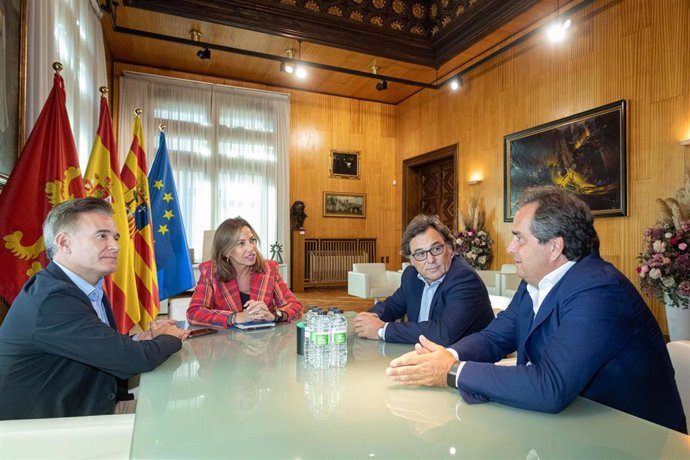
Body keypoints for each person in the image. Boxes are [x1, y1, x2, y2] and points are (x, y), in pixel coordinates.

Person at [385, 186, 687, 433]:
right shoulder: (536, 280)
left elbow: (550, 386)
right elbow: (495, 337)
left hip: (634, 436)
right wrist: (448, 355)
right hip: (574, 423)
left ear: (554, 247)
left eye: (519, 238)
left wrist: (452, 372)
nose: (510, 248)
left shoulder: (598, 289)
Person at [0, 197, 188, 420]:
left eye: (115, 237)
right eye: (102, 236)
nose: (116, 246)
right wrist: (171, 337)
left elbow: (98, 345)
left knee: (180, 417)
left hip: (84, 407)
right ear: (64, 243)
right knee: (177, 424)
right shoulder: (54, 300)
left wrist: (143, 339)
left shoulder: (85, 286)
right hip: (47, 430)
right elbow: (131, 361)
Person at [354, 214, 494, 346]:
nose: (431, 260)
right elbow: (391, 306)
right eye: (420, 254)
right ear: (412, 260)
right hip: (426, 357)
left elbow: (443, 334)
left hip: (467, 364)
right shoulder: (412, 276)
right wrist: (368, 318)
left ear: (450, 248)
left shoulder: (464, 279)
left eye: (436, 249)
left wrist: (382, 330)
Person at [188, 217, 302, 327]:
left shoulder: (268, 269)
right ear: (226, 251)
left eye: (252, 240)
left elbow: (294, 305)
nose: (251, 248)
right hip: (226, 343)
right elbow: (194, 313)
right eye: (241, 243)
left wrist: (274, 315)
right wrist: (236, 317)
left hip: (264, 342)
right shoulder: (210, 272)